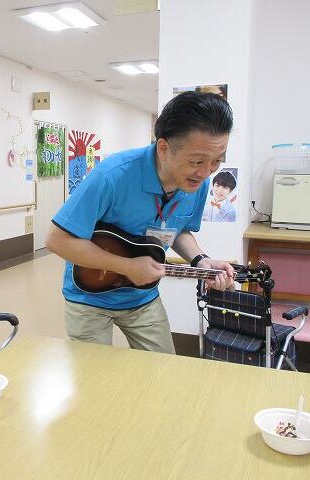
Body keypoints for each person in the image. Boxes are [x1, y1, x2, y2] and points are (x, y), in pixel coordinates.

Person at [45, 92, 235, 354]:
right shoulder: (112, 175)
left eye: (216, 161)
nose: (205, 172)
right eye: (196, 161)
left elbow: (179, 230)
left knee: (163, 370)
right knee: (95, 376)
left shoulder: (198, 184)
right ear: (163, 148)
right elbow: (57, 240)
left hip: (142, 297)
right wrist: (126, 266)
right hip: (88, 295)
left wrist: (201, 260)